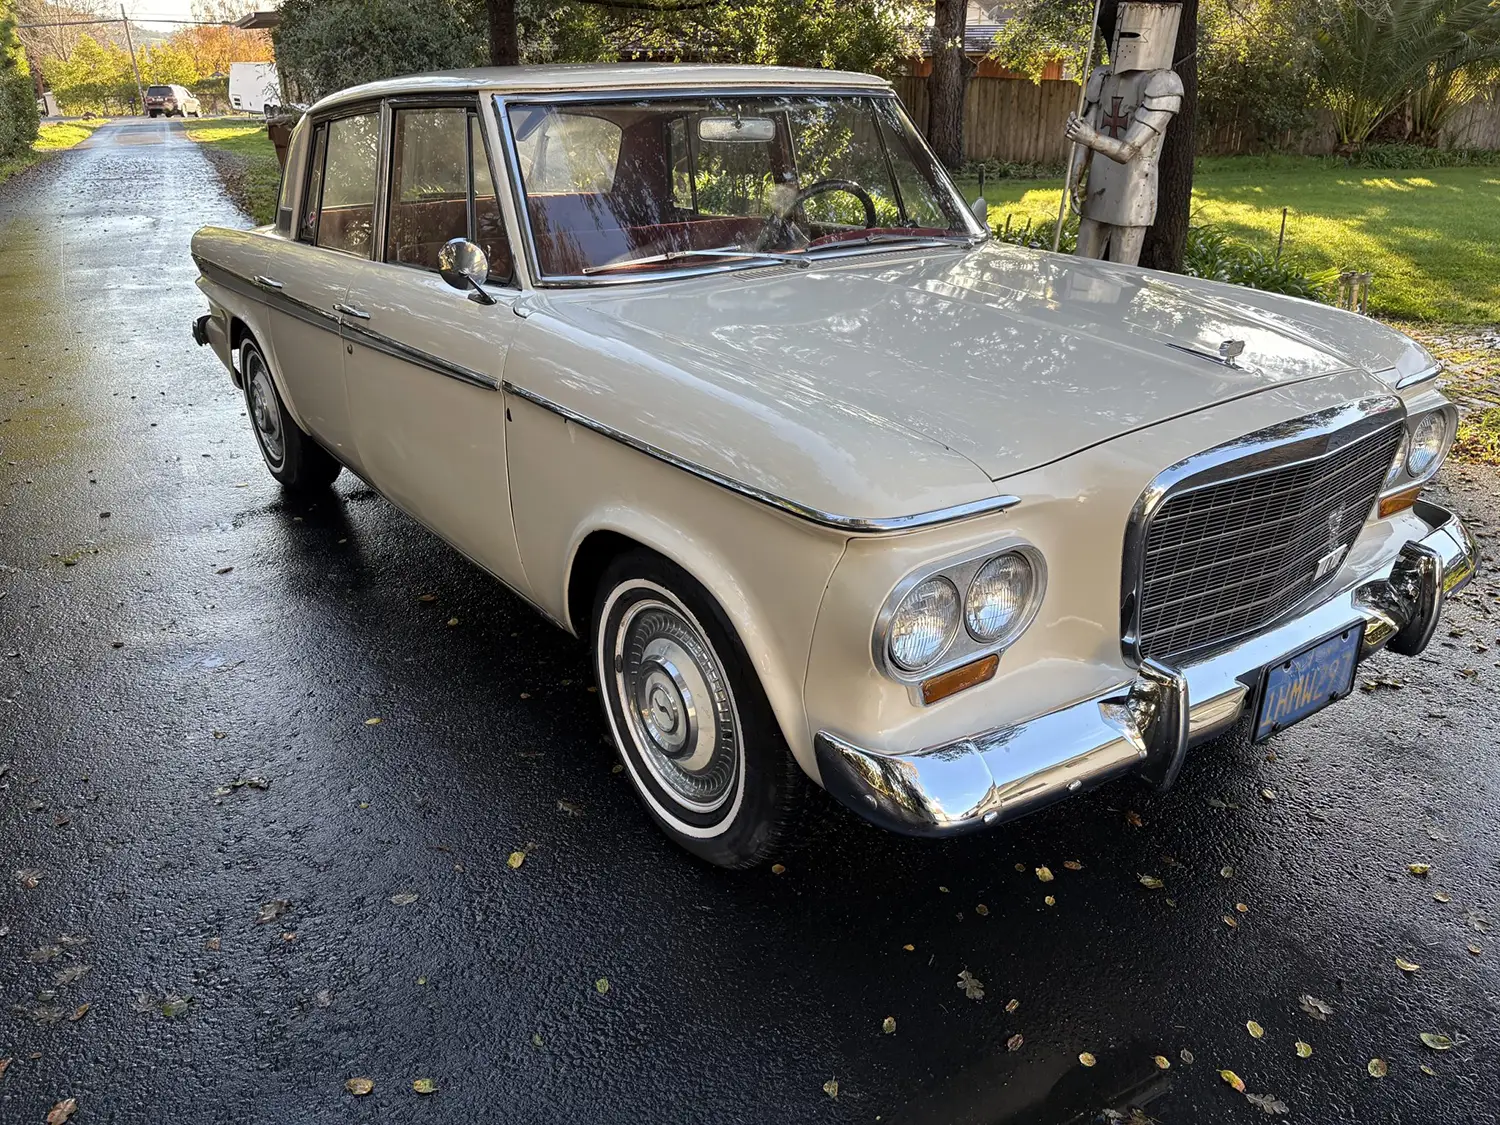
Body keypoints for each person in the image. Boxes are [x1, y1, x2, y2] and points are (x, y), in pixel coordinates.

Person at [1062, 0, 1184, 264]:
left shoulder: (1163, 83)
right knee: (1080, 269)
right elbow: (1087, 130)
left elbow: (1128, 150)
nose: (1124, 42)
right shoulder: (1103, 76)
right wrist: (1075, 178)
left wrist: (1089, 138)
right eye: (1122, 33)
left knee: (1121, 275)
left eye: (1133, 35)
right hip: (1097, 188)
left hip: (1133, 192)